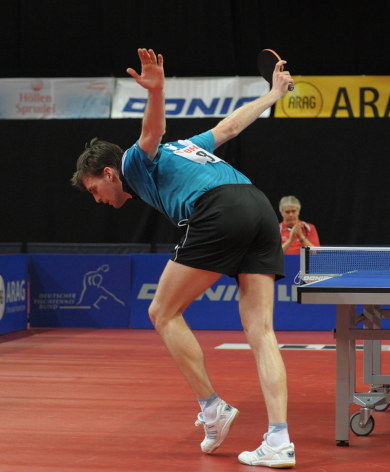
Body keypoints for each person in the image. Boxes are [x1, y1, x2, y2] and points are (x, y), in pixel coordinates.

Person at [70, 48, 296, 468]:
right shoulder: (186, 148)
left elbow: (151, 131)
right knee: (261, 331)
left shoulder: (134, 162)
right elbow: (229, 127)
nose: (97, 200)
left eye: (93, 191)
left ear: (108, 175)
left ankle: (212, 407)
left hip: (217, 210)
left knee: (162, 311)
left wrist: (156, 92)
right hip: (258, 208)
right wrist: (272, 95)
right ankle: (279, 440)